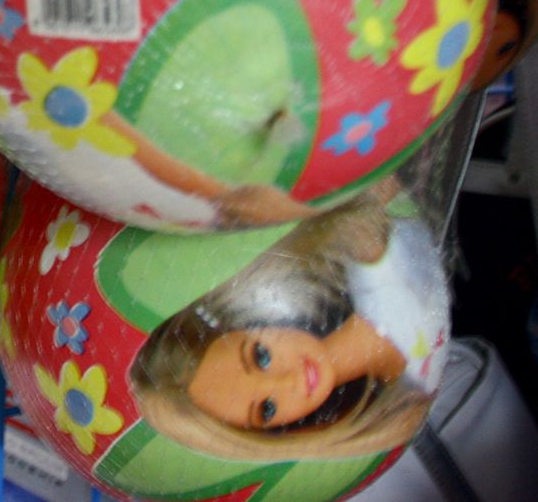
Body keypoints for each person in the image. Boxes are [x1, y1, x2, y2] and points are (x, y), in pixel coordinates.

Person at [130, 183, 448, 460]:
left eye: (261, 356)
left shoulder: (370, 253)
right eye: (267, 409)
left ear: (248, 317)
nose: (287, 382)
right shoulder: (404, 394)